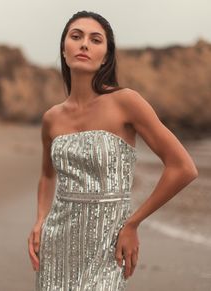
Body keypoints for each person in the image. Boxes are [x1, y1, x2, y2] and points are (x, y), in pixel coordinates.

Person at [28, 10, 198, 291]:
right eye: (76, 36)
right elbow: (47, 176)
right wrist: (39, 220)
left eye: (96, 40)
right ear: (64, 47)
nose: (84, 44)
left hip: (107, 245)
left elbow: (183, 167)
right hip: (56, 243)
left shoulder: (126, 102)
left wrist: (133, 224)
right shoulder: (52, 118)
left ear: (106, 56)